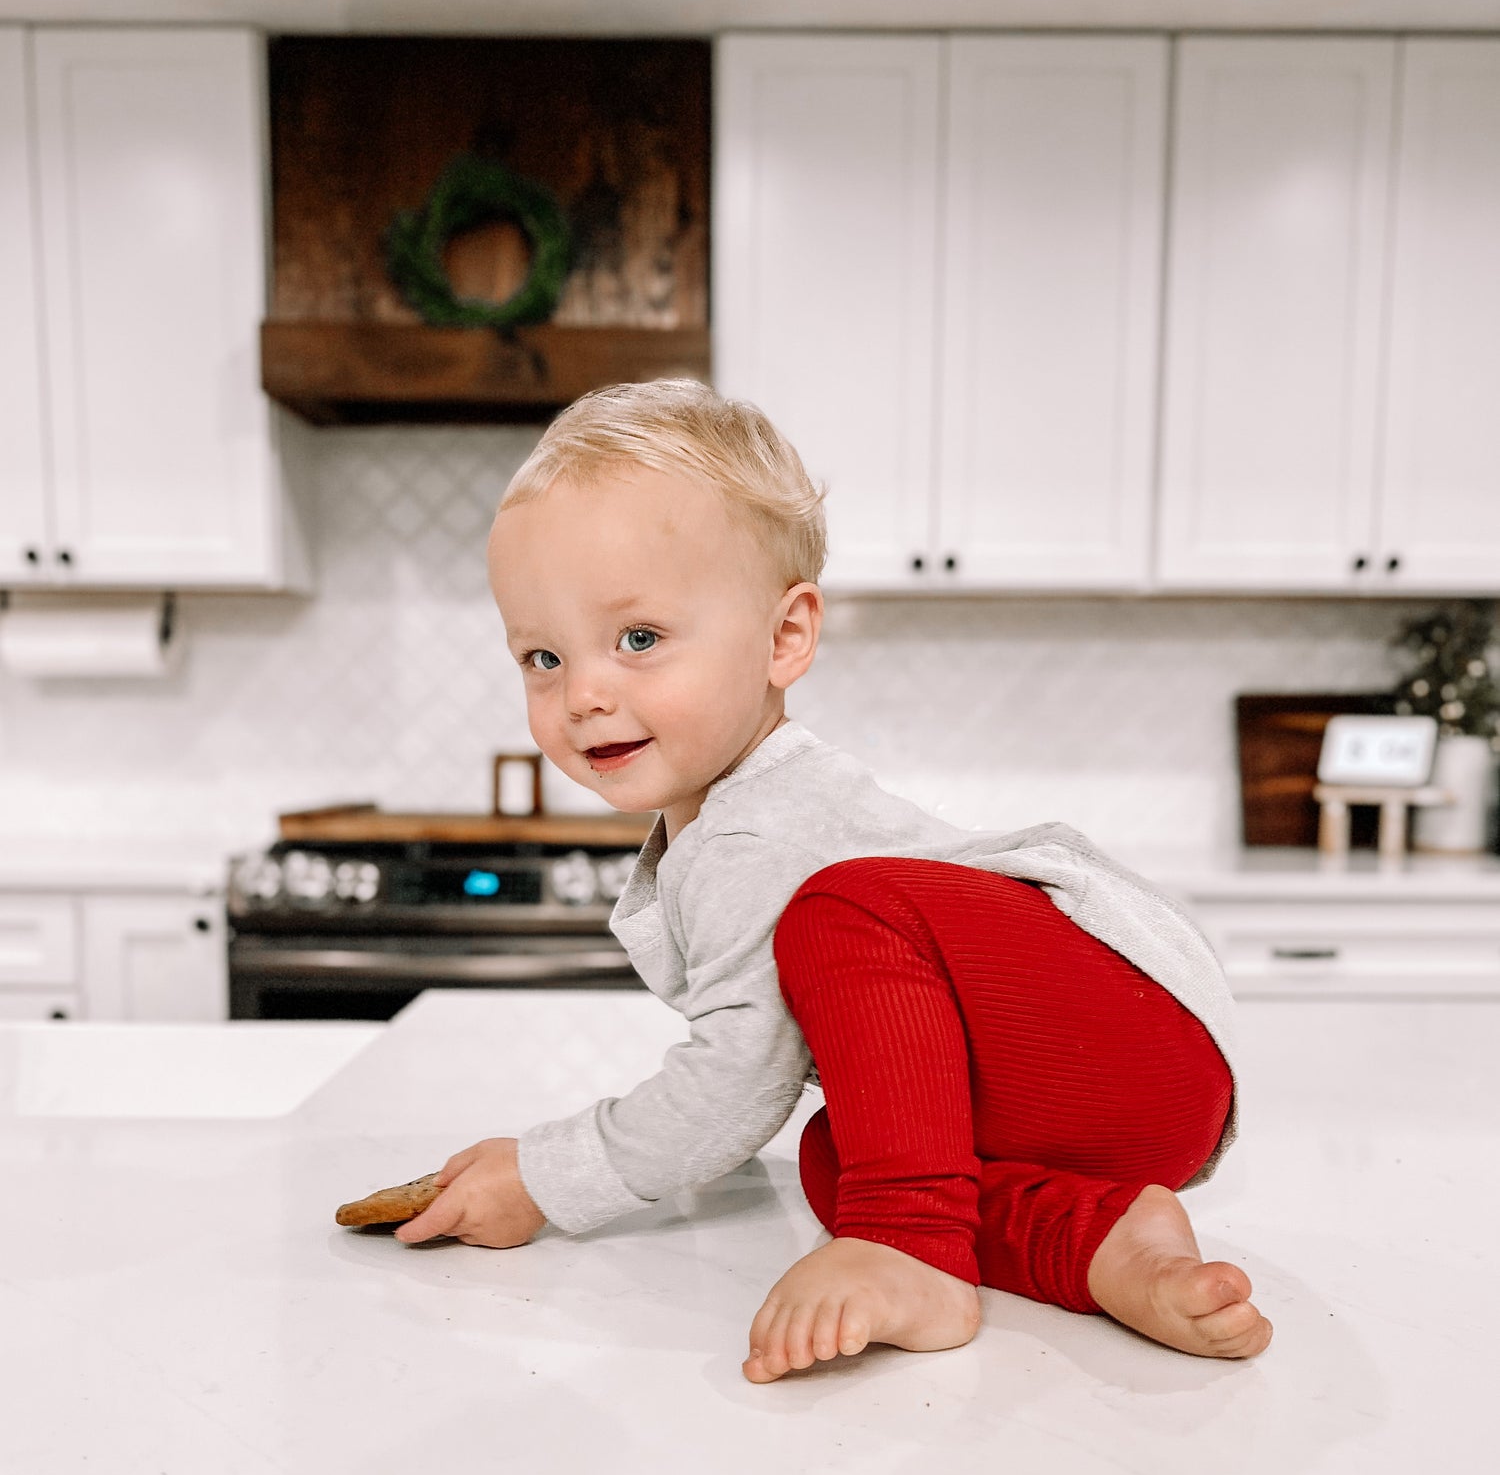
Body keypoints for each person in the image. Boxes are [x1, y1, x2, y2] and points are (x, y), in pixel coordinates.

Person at [396, 380, 1271, 1381]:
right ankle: (1103, 1239)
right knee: (839, 1155)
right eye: (542, 656)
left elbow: (735, 1078)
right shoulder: (723, 824)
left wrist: (549, 1174)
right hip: (1117, 1096)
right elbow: (766, 1087)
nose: (583, 692)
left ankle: (913, 1251)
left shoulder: (761, 831)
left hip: (1132, 1031)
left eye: (638, 638)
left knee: (846, 911)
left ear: (785, 638)